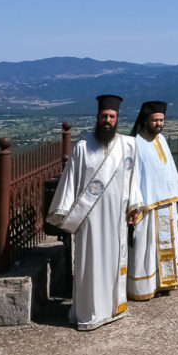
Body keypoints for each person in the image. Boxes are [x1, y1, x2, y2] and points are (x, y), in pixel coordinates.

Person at [46, 94, 139, 331]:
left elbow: (133, 180)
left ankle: (112, 309)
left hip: (117, 218)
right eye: (104, 116)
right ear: (97, 118)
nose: (108, 120)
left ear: (117, 118)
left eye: (112, 116)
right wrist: (64, 212)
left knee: (112, 264)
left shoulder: (128, 145)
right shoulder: (82, 148)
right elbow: (70, 182)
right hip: (90, 220)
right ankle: (89, 313)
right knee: (90, 265)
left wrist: (134, 207)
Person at [127, 100, 178, 301]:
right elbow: (133, 177)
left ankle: (165, 282)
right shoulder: (135, 143)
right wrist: (134, 205)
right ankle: (145, 286)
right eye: (155, 120)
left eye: (162, 120)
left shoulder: (161, 140)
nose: (159, 124)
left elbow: (168, 171)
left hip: (166, 204)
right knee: (147, 248)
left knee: (165, 245)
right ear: (145, 120)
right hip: (148, 206)